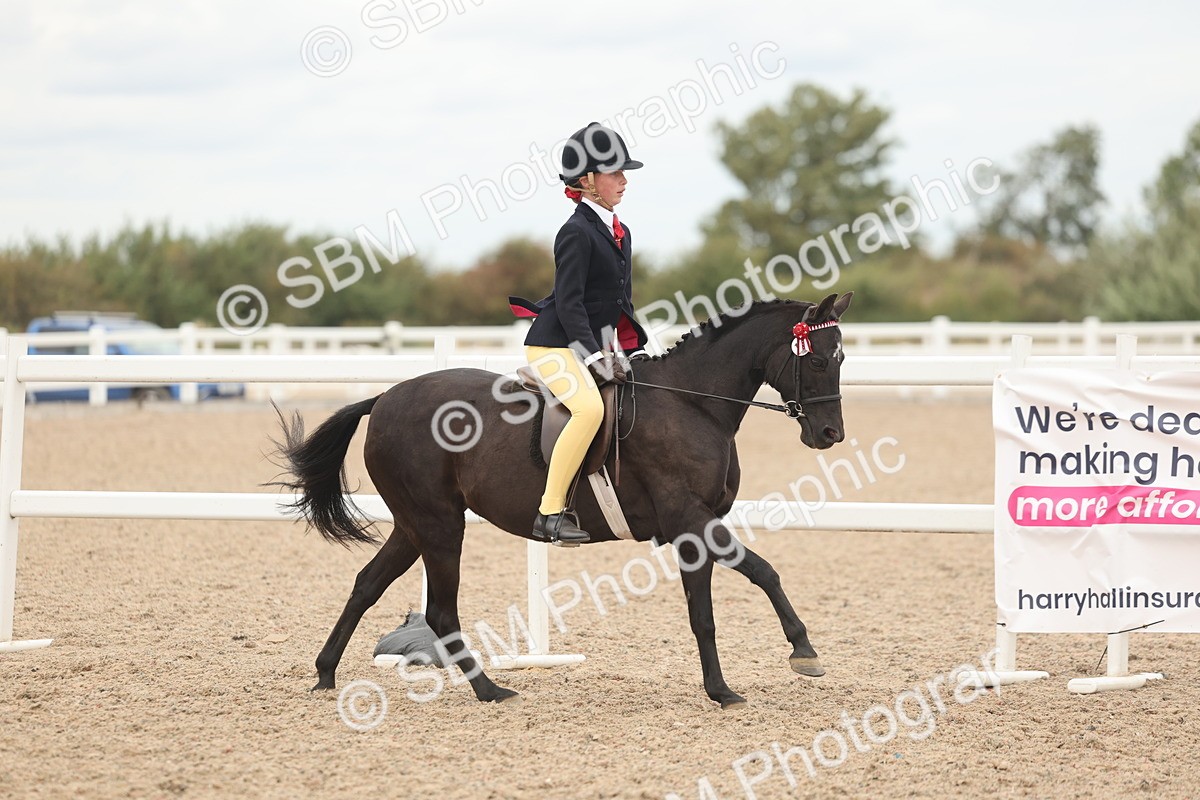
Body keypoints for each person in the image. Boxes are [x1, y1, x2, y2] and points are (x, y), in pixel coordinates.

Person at [508, 122, 650, 545]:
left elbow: (619, 302)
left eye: (624, 173)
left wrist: (635, 348)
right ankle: (550, 512)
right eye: (614, 173)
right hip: (553, 346)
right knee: (590, 410)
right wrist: (592, 356)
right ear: (588, 182)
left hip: (590, 342)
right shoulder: (575, 232)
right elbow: (570, 305)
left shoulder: (619, 233)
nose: (624, 180)